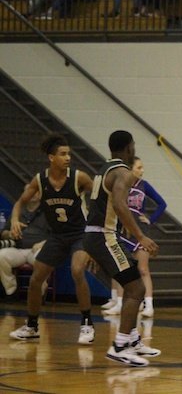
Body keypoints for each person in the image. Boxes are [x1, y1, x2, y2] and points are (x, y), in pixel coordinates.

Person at [8, 133, 96, 344]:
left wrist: (97, 233)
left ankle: (87, 323)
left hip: (80, 234)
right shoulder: (40, 180)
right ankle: (32, 326)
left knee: (77, 270)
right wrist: (14, 220)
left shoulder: (79, 178)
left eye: (69, 154)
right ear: (51, 157)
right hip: (57, 236)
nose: (68, 158)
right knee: (36, 278)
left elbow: (100, 199)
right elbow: (20, 203)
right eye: (63, 154)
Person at [84, 130, 160, 367]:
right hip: (104, 236)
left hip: (98, 235)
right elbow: (119, 204)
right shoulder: (124, 173)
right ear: (129, 147)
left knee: (131, 284)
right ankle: (119, 346)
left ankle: (132, 340)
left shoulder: (104, 169)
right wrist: (140, 236)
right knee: (137, 288)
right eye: (133, 145)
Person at [103, 156, 166, 318]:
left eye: (142, 167)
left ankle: (149, 305)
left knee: (143, 269)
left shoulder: (144, 186)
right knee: (121, 268)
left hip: (140, 230)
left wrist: (150, 219)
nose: (142, 170)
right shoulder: (121, 184)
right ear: (130, 169)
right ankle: (119, 302)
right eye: (139, 167)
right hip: (122, 229)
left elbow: (162, 203)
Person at [0, 186, 49, 299]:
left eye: (36, 191)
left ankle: (39, 292)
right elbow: (3, 233)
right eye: (29, 191)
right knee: (1, 256)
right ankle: (11, 290)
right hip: (18, 249)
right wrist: (10, 234)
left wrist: (42, 244)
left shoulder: (48, 212)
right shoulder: (18, 210)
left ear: (41, 194)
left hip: (37, 250)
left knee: (42, 258)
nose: (33, 194)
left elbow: (57, 236)